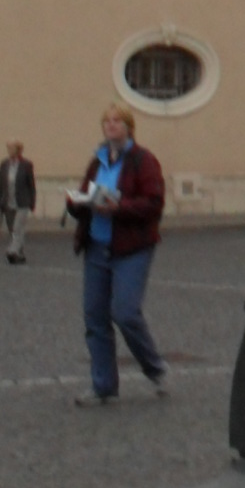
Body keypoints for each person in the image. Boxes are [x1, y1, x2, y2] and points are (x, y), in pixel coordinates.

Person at [67, 104, 167, 405]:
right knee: (95, 318)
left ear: (129, 127)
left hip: (131, 247)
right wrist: (76, 202)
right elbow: (86, 195)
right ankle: (103, 386)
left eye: (117, 121)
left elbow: (154, 203)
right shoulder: (97, 161)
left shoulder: (143, 160)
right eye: (107, 121)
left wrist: (119, 207)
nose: (111, 125)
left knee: (125, 313)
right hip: (97, 246)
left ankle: (154, 367)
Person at [0, 140, 36, 264]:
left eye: (11, 149)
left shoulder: (26, 165)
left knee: (18, 228)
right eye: (8, 149)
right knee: (13, 230)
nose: (9, 151)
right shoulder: (4, 164)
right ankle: (19, 253)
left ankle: (12, 251)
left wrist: (32, 201)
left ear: (18, 150)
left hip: (22, 202)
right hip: (8, 202)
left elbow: (31, 184)